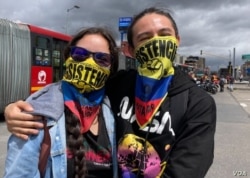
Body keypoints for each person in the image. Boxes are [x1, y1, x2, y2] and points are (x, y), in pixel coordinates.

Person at [4, 7, 217, 178]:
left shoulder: (197, 103)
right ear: (130, 50)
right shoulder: (118, 85)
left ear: (177, 40)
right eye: (144, 38)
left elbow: (188, 168)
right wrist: (15, 109)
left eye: (164, 35)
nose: (155, 42)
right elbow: (61, 94)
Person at [4, 27, 119, 178]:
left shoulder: (117, 106)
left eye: (102, 59)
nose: (89, 63)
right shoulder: (39, 108)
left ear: (111, 68)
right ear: (67, 58)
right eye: (80, 54)